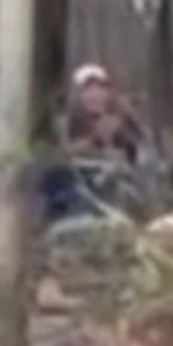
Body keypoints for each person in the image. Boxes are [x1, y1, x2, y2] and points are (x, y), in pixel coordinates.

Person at [38, 64, 160, 225]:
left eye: (100, 89)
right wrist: (94, 140)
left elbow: (143, 151)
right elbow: (59, 154)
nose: (94, 95)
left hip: (116, 194)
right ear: (77, 95)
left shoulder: (122, 118)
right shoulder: (66, 121)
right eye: (87, 90)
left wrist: (123, 133)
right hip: (79, 190)